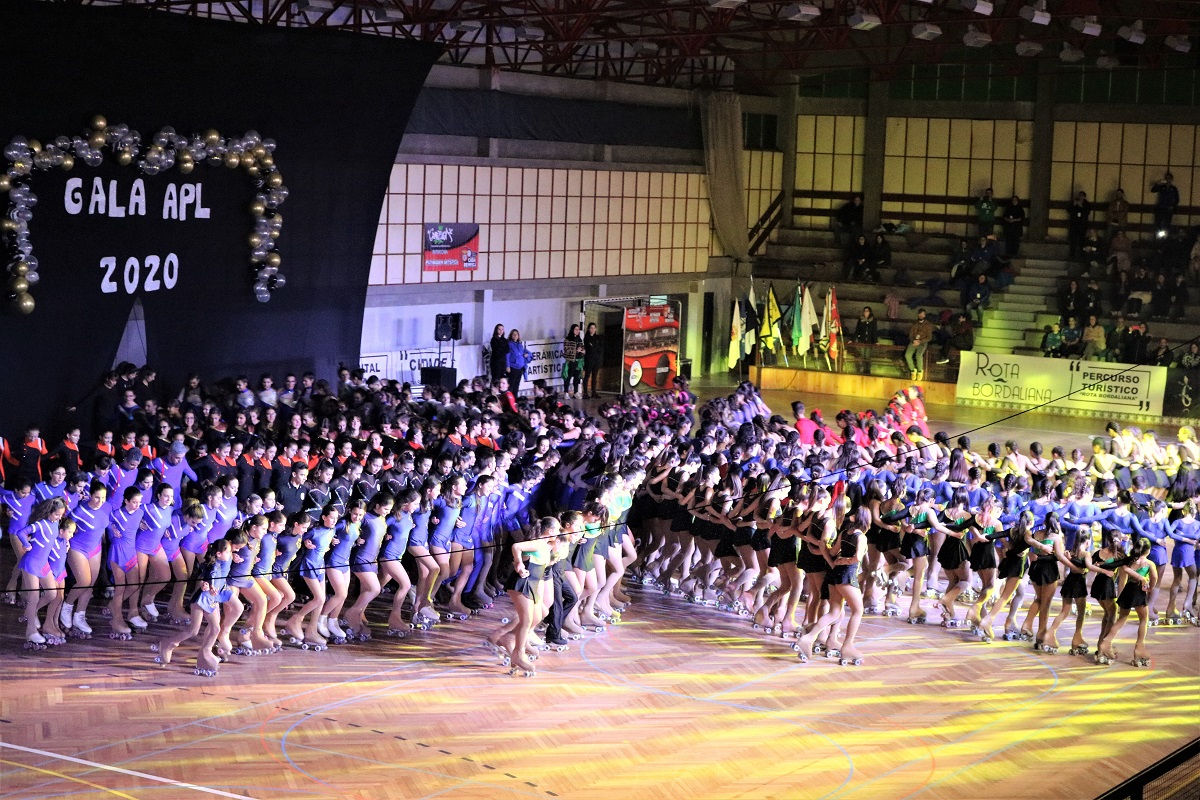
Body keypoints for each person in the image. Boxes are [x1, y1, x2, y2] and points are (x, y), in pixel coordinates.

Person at [904, 308, 934, 381]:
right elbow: (910, 334)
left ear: (924, 315)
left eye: (922, 314)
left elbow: (929, 337)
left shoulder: (928, 325)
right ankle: (913, 370)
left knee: (918, 355)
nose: (921, 315)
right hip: (913, 342)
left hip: (922, 343)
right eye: (919, 314)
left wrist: (920, 341)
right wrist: (913, 340)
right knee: (907, 355)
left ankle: (920, 371)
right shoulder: (915, 324)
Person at [851, 306, 877, 375]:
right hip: (862, 340)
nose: (865, 312)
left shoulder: (873, 320)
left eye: (867, 311)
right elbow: (857, 330)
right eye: (865, 311)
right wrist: (852, 339)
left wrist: (875, 341)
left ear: (870, 312)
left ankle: (867, 370)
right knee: (862, 355)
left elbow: (874, 331)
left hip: (869, 341)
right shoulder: (861, 320)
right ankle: (862, 369)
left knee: (867, 356)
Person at [505, 329, 532, 395]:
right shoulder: (509, 344)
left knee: (517, 385)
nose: (515, 336)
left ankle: (515, 399)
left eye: (516, 334)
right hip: (513, 367)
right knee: (511, 385)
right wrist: (507, 366)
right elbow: (507, 356)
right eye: (513, 334)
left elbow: (524, 352)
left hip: (520, 368)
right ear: (511, 336)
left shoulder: (520, 345)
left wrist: (526, 355)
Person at [1067, 191, 1091, 259]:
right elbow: (1068, 210)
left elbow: (1087, 212)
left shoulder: (1086, 204)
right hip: (1074, 223)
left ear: (1084, 197)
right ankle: (1072, 254)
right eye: (1079, 195)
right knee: (1073, 239)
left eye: (1082, 196)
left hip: (1082, 224)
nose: (1080, 197)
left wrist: (1081, 206)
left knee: (1082, 240)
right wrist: (1073, 205)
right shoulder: (1075, 202)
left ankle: (1082, 254)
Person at [563, 324, 584, 399]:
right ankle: (566, 392)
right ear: (572, 330)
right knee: (568, 377)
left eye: (578, 329)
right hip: (571, 361)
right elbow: (566, 349)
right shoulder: (568, 339)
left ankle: (575, 392)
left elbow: (582, 347)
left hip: (578, 361)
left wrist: (582, 350)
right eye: (576, 329)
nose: (577, 331)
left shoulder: (579, 339)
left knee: (577, 377)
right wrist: (575, 350)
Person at [583, 321, 603, 398]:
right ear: (588, 329)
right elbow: (591, 348)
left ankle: (594, 392)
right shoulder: (587, 338)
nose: (593, 329)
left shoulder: (597, 338)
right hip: (589, 359)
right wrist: (594, 346)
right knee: (587, 375)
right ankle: (585, 392)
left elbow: (599, 348)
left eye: (594, 328)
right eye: (591, 328)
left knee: (595, 376)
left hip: (596, 360)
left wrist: (594, 346)